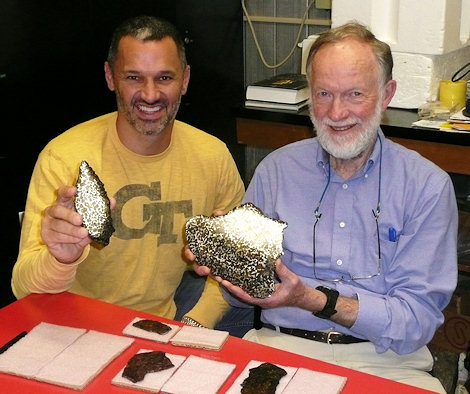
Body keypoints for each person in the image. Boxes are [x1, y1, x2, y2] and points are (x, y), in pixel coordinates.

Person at [189, 22, 458, 392]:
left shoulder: (426, 186)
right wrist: (224, 259)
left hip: (387, 361)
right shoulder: (276, 171)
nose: (336, 112)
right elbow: (245, 291)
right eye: (324, 94)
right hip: (280, 348)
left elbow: (416, 320)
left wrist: (311, 299)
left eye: (355, 94)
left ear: (386, 95)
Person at [12, 15, 254, 336]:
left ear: (185, 79)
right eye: (134, 78)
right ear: (111, 77)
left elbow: (236, 264)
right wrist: (61, 259)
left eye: (164, 77)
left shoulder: (212, 155)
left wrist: (195, 324)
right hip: (74, 328)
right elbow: (22, 288)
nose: (150, 95)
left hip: (162, 324)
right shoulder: (64, 157)